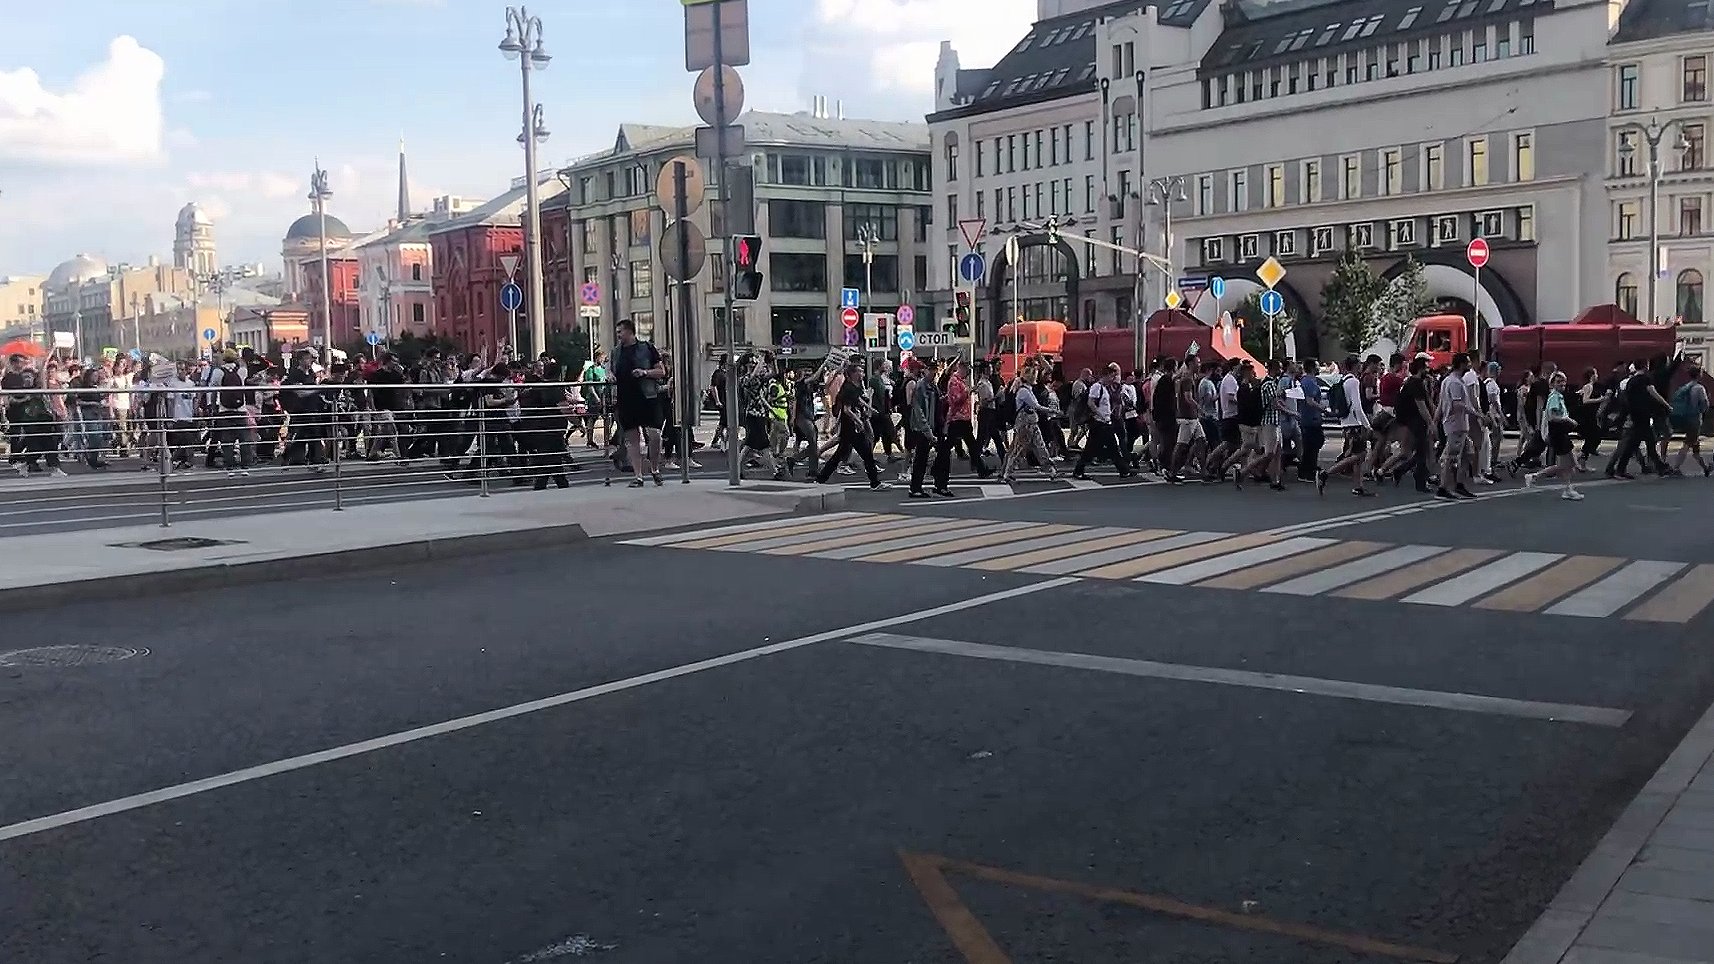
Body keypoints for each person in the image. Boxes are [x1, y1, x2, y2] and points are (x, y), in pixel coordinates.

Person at [609, 318, 667, 487]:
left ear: (629, 331)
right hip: (626, 398)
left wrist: (644, 372)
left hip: (647, 396)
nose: (618, 335)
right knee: (632, 438)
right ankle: (638, 476)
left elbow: (661, 371)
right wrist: (610, 376)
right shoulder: (616, 352)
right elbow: (611, 370)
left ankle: (655, 469)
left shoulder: (647, 348)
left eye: (620, 332)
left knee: (654, 435)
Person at [815, 358, 889, 490]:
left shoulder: (855, 386)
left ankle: (820, 479)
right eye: (860, 371)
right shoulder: (848, 388)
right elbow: (847, 410)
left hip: (852, 428)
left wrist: (870, 408)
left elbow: (858, 400)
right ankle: (875, 483)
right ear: (853, 373)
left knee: (840, 455)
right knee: (865, 454)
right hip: (850, 427)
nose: (862, 374)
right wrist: (858, 421)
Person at [1524, 370, 1585, 500]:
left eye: (1563, 382)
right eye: (1558, 382)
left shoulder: (1559, 396)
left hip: (1561, 433)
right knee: (1564, 465)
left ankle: (1566, 487)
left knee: (1570, 463)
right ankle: (1538, 478)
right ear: (1552, 384)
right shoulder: (1554, 397)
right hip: (1557, 433)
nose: (1562, 384)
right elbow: (1552, 417)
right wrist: (1567, 420)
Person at [1435, 352, 1477, 500]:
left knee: (1468, 453)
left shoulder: (1451, 380)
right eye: (1468, 362)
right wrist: (1476, 413)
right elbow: (1457, 404)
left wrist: (1435, 420)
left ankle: (1459, 484)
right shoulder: (1454, 383)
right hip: (1456, 424)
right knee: (1451, 456)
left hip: (1459, 425)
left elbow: (1441, 404)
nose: (1470, 365)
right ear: (1461, 364)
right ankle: (1443, 488)